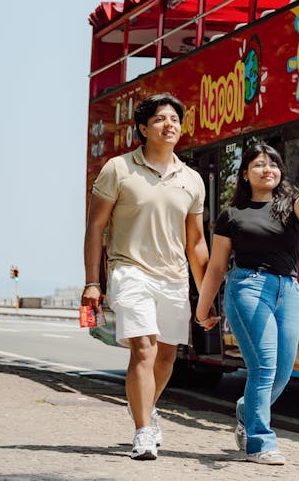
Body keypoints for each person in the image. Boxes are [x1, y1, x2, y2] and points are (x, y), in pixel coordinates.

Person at [82, 93, 209, 461]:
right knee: (144, 348)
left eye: (174, 119)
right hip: (129, 270)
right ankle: (142, 432)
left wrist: (205, 294)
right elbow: (95, 227)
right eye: (159, 119)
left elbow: (196, 241)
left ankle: (144, 407)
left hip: (173, 277)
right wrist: (93, 281)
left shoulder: (192, 180)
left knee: (166, 357)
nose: (169, 124)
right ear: (142, 128)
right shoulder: (118, 169)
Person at [195, 142, 299, 466]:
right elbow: (217, 266)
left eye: (273, 164)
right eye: (259, 164)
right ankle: (260, 443)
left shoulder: (291, 206)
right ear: (245, 174)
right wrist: (203, 306)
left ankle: (245, 410)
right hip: (248, 288)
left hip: (289, 291)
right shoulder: (232, 215)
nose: (267, 169)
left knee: (281, 374)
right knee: (263, 367)